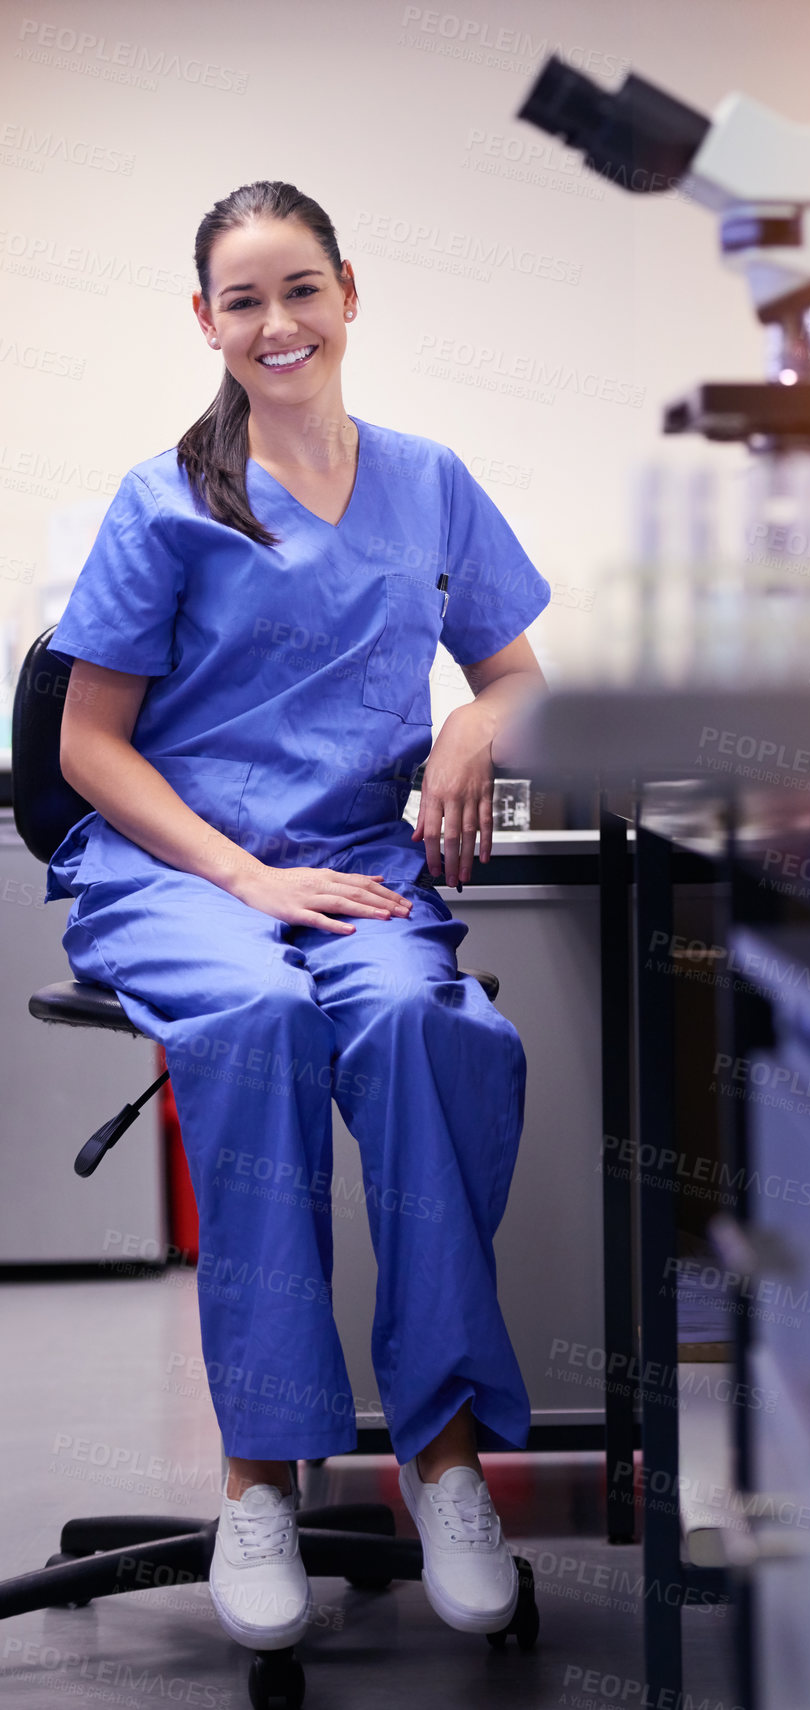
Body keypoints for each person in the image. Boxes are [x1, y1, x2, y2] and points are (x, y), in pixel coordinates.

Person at [44, 180, 551, 1653]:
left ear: (348, 294)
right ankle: (258, 1473)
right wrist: (239, 876)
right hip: (177, 867)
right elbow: (86, 747)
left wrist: (478, 724)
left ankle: (445, 1454)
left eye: (301, 291)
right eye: (244, 300)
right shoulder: (167, 501)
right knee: (261, 1016)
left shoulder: (430, 479)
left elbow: (517, 668)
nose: (279, 325)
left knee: (419, 1024)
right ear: (207, 322)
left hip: (350, 863)